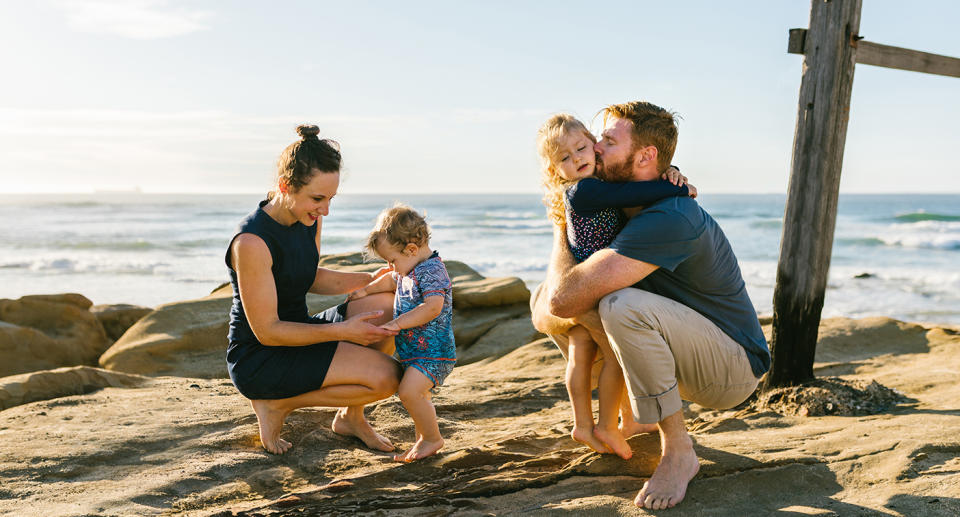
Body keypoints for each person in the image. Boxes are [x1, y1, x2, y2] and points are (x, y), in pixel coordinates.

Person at [532, 101, 770, 510]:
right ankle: (634, 414)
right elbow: (548, 307)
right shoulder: (617, 205)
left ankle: (678, 450)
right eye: (597, 139)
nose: (595, 148)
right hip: (683, 351)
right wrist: (563, 221)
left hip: (731, 368)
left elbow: (565, 299)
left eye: (607, 140)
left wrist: (564, 228)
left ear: (645, 156)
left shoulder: (672, 214)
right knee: (557, 293)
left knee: (618, 304)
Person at [226, 124, 402, 455]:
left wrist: (370, 280)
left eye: (331, 199)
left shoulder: (308, 219)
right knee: (388, 380)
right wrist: (343, 330)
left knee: (387, 304)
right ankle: (277, 405)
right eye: (318, 198)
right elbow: (268, 332)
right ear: (285, 186)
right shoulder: (251, 242)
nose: (325, 210)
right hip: (262, 357)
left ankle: (351, 417)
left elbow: (306, 275)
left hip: (303, 331)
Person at [535, 113, 694, 459]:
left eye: (580, 148)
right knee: (616, 358)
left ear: (593, 145)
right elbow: (634, 190)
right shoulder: (585, 190)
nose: (576, 158)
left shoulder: (589, 184)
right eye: (564, 157)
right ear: (555, 170)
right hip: (593, 285)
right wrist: (675, 186)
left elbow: (634, 183)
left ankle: (583, 423)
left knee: (580, 351)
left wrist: (671, 168)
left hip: (586, 280)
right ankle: (608, 424)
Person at [348, 203, 456, 462]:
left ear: (411, 249)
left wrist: (397, 324)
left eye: (392, 260)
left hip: (433, 353)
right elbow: (390, 280)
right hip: (415, 352)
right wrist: (366, 291)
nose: (391, 266)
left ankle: (432, 438)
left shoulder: (431, 271)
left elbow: (433, 307)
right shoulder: (409, 268)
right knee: (418, 395)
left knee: (409, 393)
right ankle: (424, 440)